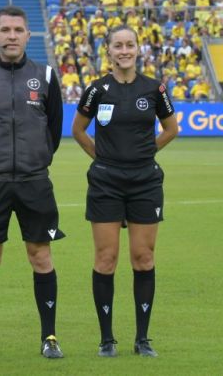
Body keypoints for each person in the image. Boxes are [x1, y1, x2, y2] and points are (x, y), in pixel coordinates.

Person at [0, 6, 65, 359]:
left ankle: (49, 337)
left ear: (28, 35)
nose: (12, 36)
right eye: (5, 29)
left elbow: (53, 130)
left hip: (35, 182)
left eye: (18, 30)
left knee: (41, 255)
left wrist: (35, 162)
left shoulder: (47, 76)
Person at [72, 25, 178, 358]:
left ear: (138, 49)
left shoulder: (154, 88)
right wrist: (102, 159)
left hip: (145, 181)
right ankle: (107, 340)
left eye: (130, 45)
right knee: (106, 259)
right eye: (118, 45)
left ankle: (142, 339)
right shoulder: (96, 89)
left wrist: (147, 153)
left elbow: (171, 128)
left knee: (143, 258)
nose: (124, 50)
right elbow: (78, 130)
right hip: (106, 182)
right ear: (110, 51)